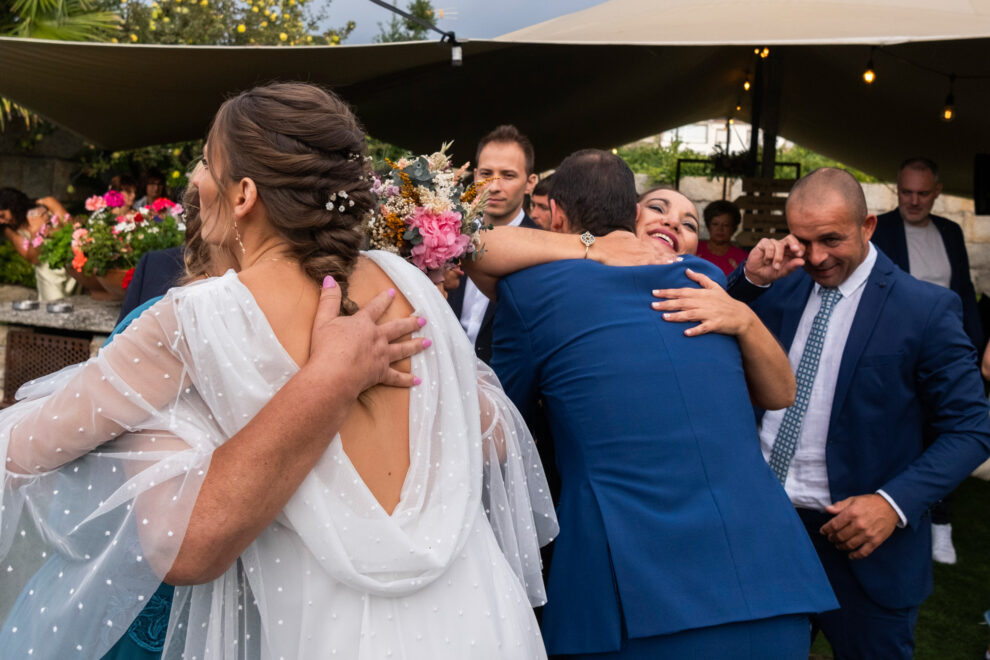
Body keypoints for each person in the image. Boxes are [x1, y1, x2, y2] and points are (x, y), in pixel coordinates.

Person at [0, 82, 555, 659]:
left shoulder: (193, 321)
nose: (196, 180)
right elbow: (490, 434)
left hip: (328, 638)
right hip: (482, 622)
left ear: (243, 194)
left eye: (207, 164)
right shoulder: (411, 284)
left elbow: (25, 449)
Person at [483, 149, 837, 658]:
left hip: (630, 577)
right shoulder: (700, 277)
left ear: (555, 214)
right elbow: (781, 396)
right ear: (633, 216)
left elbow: (506, 428)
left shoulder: (534, 290)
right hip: (760, 569)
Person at [727, 167, 990, 659]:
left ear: (868, 226)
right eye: (804, 241)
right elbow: (704, 345)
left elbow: (972, 429)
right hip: (766, 530)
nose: (818, 256)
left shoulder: (925, 309)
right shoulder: (778, 288)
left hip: (863, 547)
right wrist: (746, 282)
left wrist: (891, 504)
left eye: (832, 239)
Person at [871, 157, 980, 565]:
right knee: (899, 430)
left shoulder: (950, 231)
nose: (913, 201)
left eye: (922, 193)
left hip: (947, 349)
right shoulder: (878, 228)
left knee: (948, 433)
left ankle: (941, 523)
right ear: (897, 190)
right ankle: (895, 510)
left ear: (936, 192)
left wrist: (974, 342)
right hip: (897, 346)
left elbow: (964, 290)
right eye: (906, 192)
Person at [447, 124, 540, 364]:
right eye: (487, 174)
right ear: (476, 175)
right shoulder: (446, 237)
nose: (495, 186)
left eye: (508, 176)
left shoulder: (543, 248)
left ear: (530, 182)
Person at [0, 186, 79, 300]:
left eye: (2, 215)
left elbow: (73, 230)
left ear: (13, 206)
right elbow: (33, 259)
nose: (1, 221)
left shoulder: (47, 203)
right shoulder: (10, 230)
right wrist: (34, 234)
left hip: (71, 264)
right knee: (53, 309)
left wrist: (48, 231)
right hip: (47, 273)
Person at [696, 199, 749, 275]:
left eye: (726, 225)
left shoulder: (742, 258)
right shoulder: (694, 250)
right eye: (715, 224)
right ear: (708, 225)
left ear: (733, 228)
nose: (720, 229)